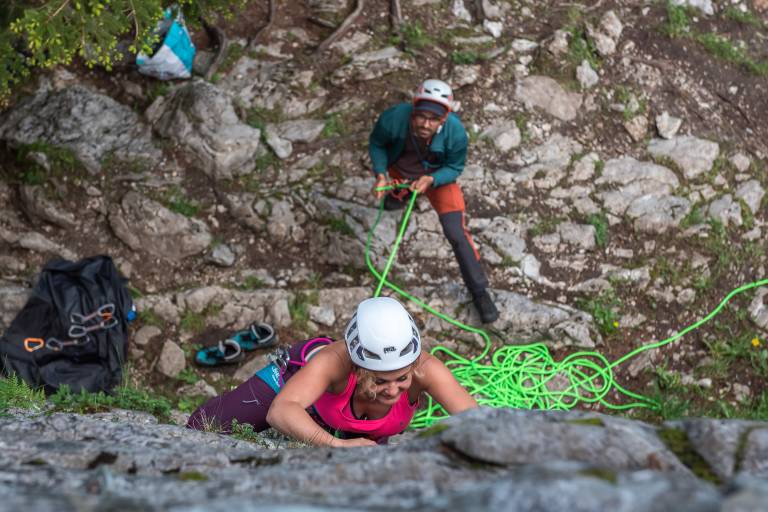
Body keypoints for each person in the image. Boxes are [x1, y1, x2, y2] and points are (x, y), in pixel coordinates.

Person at [186, 296, 477, 446]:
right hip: (294, 383)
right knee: (200, 427)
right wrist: (334, 445)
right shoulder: (332, 362)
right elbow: (281, 411)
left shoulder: (428, 371)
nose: (391, 390)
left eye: (402, 379)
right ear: (359, 367)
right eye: (379, 381)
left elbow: (481, 421)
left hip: (350, 424)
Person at [369, 78, 499, 324]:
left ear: (444, 119)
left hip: (437, 179)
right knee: (396, 193)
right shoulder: (394, 118)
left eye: (433, 119)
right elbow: (377, 144)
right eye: (421, 116)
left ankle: (480, 292)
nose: (426, 124)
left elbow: (454, 167)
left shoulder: (456, 132)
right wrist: (380, 173)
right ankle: (401, 195)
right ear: (413, 110)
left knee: (456, 233)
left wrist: (432, 179)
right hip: (402, 171)